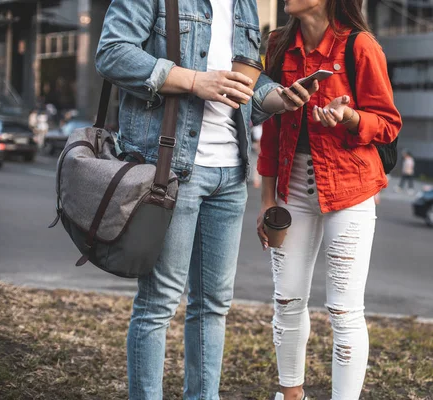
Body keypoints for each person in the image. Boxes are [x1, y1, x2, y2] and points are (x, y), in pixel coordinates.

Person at [95, 1, 317, 398]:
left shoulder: (246, 5)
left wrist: (278, 98)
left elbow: (248, 84)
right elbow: (112, 52)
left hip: (230, 171)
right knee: (159, 303)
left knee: (214, 305)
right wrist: (195, 81)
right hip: (172, 169)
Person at [256, 0, 402, 398]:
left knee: (343, 310)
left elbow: (388, 124)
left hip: (350, 189)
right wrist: (267, 198)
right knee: (286, 301)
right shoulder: (279, 46)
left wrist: (349, 117)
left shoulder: (360, 46)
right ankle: (291, 395)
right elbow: (270, 126)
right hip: (291, 189)